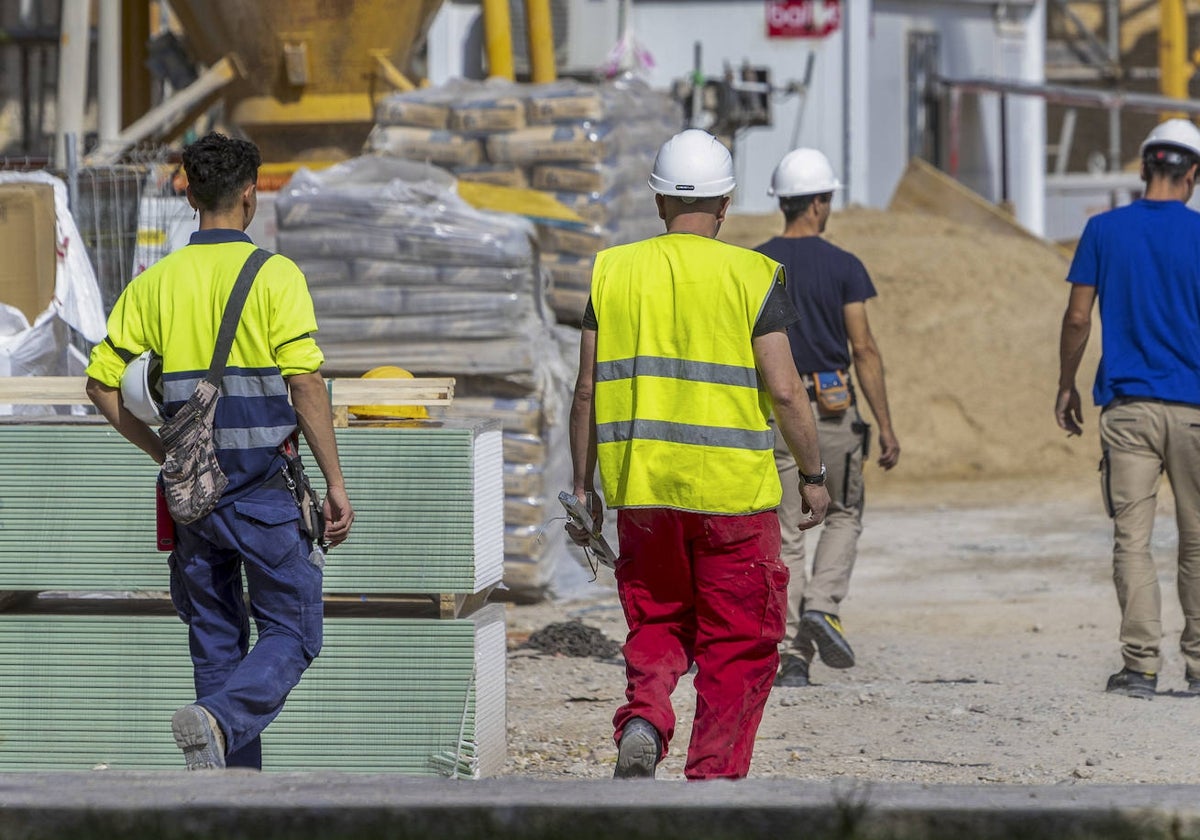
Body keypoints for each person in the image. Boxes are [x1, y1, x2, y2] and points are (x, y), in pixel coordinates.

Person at [567, 128, 831, 781]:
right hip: (733, 500)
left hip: (644, 495)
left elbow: (584, 392)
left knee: (655, 620)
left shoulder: (613, 271)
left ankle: (644, 718)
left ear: (658, 201)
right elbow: (787, 391)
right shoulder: (752, 275)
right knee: (739, 642)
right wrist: (816, 476)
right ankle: (711, 781)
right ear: (726, 203)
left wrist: (583, 486)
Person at [85, 131, 354, 769]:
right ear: (249, 193)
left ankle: (224, 801)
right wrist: (335, 482)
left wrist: (164, 452)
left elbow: (100, 383)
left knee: (216, 648)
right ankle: (220, 719)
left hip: (193, 500)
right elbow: (306, 383)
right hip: (263, 495)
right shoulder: (276, 276)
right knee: (293, 630)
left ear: (190, 196)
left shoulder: (156, 283)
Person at [1056, 117, 1200, 701]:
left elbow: (1076, 318)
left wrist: (1066, 384)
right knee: (1196, 539)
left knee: (1133, 541)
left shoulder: (1102, 230)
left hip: (1128, 409)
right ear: (1193, 173)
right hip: (1195, 410)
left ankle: (1140, 667)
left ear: (1143, 168)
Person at [754, 148, 901, 688]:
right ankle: (822, 605)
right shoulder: (844, 266)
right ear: (818, 203)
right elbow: (863, 349)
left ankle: (790, 652)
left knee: (787, 530)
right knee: (841, 513)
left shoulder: (756, 265)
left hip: (775, 413)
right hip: (834, 413)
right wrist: (884, 425)